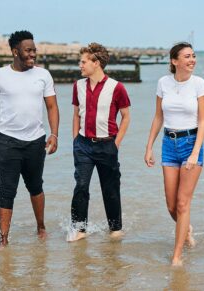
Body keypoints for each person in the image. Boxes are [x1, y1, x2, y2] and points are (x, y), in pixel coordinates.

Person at [0, 30, 59, 249]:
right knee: (7, 190)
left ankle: (40, 226)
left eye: (34, 50)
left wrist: (54, 133)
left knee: (35, 186)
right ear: (15, 52)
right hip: (7, 142)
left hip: (35, 141)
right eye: (28, 50)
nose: (33, 55)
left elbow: (51, 106)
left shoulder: (43, 75)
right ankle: (3, 239)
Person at [144, 42, 204, 266]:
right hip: (168, 144)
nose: (192, 60)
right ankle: (187, 228)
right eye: (187, 57)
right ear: (175, 61)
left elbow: (202, 121)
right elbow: (158, 117)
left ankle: (177, 256)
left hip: (191, 143)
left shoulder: (200, 85)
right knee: (171, 206)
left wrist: (194, 153)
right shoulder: (163, 83)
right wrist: (149, 146)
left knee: (183, 203)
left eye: (193, 56)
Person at [67, 43, 131, 242]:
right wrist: (75, 139)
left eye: (84, 62)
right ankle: (79, 229)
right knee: (81, 186)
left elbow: (126, 117)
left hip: (107, 145)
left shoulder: (116, 87)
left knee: (110, 189)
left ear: (96, 63)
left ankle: (115, 229)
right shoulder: (78, 86)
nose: (80, 65)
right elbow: (76, 114)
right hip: (83, 145)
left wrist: (116, 144)